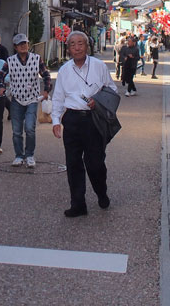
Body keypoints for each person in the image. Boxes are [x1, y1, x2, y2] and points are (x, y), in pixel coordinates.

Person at [51, 31, 116, 217]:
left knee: (95, 163)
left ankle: (101, 192)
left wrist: (99, 100)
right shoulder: (64, 70)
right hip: (71, 119)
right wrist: (56, 121)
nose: (77, 47)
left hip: (93, 119)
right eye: (73, 44)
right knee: (73, 163)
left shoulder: (99, 66)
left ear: (87, 46)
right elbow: (58, 97)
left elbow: (111, 89)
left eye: (80, 43)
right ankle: (78, 204)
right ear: (68, 48)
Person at [7, 33, 52, 168]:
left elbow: (46, 74)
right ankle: (19, 156)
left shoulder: (36, 59)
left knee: (30, 128)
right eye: (20, 44)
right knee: (16, 130)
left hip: (32, 98)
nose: (23, 46)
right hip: (16, 99)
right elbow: (1, 76)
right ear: (15, 47)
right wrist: (2, 87)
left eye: (25, 43)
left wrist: (46, 90)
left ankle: (30, 155)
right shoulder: (10, 61)